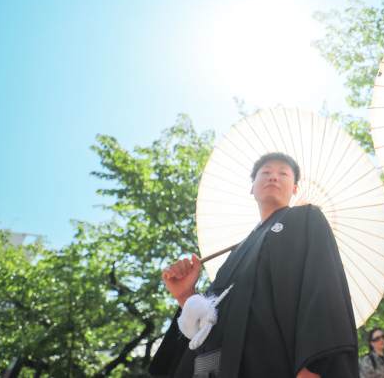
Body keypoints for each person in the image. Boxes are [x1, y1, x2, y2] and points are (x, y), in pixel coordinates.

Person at [149, 152, 359, 378]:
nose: (273, 177)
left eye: (283, 173)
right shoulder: (236, 251)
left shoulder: (306, 218)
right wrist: (186, 296)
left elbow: (323, 290)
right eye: (266, 172)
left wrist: (312, 369)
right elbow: (209, 325)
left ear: (295, 189)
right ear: (252, 187)